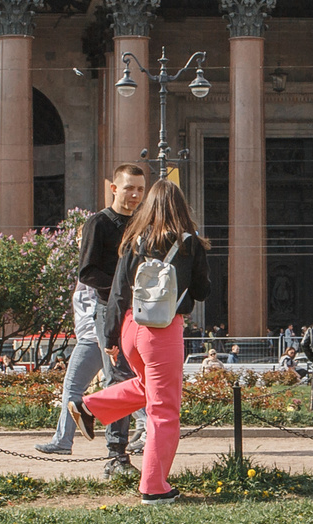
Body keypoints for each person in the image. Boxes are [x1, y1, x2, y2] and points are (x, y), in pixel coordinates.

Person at [81, 179, 211, 503]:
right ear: (181, 207)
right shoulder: (189, 243)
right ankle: (154, 488)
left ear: (149, 206)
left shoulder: (134, 240)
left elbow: (118, 293)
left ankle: (88, 407)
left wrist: (110, 335)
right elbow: (203, 291)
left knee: (146, 388)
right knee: (164, 410)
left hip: (130, 329)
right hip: (163, 332)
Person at [39, 165, 145, 476]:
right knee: (117, 377)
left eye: (140, 189)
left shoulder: (144, 223)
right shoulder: (98, 223)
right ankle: (115, 456)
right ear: (114, 188)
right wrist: (122, 286)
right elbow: (87, 272)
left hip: (141, 312)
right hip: (109, 312)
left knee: (134, 377)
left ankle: (137, 432)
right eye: (129, 189)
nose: (135, 195)